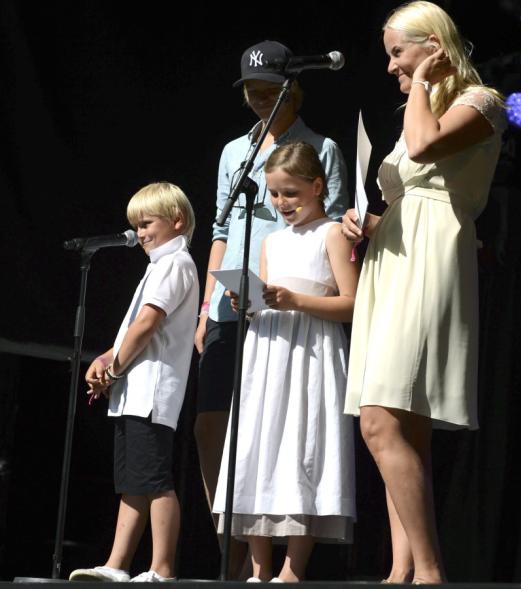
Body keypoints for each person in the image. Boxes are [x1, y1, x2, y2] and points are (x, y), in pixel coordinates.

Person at [341, 1, 506, 584]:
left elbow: (423, 148)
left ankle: (431, 574)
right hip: (394, 256)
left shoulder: (480, 101)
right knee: (398, 424)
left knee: (381, 420)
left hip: (434, 254)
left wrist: (427, 83)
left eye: (398, 53)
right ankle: (400, 571)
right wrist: (366, 222)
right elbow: (400, 187)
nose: (391, 68)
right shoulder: (424, 104)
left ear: (433, 45)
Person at [193, 40, 348, 578]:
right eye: (251, 92)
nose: (260, 99)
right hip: (237, 300)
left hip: (294, 305)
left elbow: (335, 221)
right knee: (214, 425)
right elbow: (219, 227)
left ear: (292, 90)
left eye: (269, 91)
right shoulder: (236, 152)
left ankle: (261, 557)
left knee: (282, 423)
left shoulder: (320, 147)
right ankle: (234, 544)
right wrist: (207, 306)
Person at [212, 142, 358, 583]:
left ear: (317, 186)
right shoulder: (271, 241)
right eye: (275, 194)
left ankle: (293, 570)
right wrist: (249, 304)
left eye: (290, 193)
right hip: (266, 351)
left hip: (310, 352)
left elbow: (353, 304)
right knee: (259, 445)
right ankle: (259, 568)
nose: (281, 203)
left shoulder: (332, 233)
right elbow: (264, 299)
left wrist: (296, 300)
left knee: (302, 447)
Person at [69, 182, 199, 583]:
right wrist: (108, 358)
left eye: (147, 223)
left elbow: (147, 324)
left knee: (156, 480)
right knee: (133, 481)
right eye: (136, 225)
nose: (140, 233)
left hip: (152, 392)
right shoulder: (158, 266)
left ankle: (162, 567)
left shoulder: (176, 263)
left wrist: (113, 369)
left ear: (177, 221)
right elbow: (133, 328)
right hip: (133, 390)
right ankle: (117, 563)